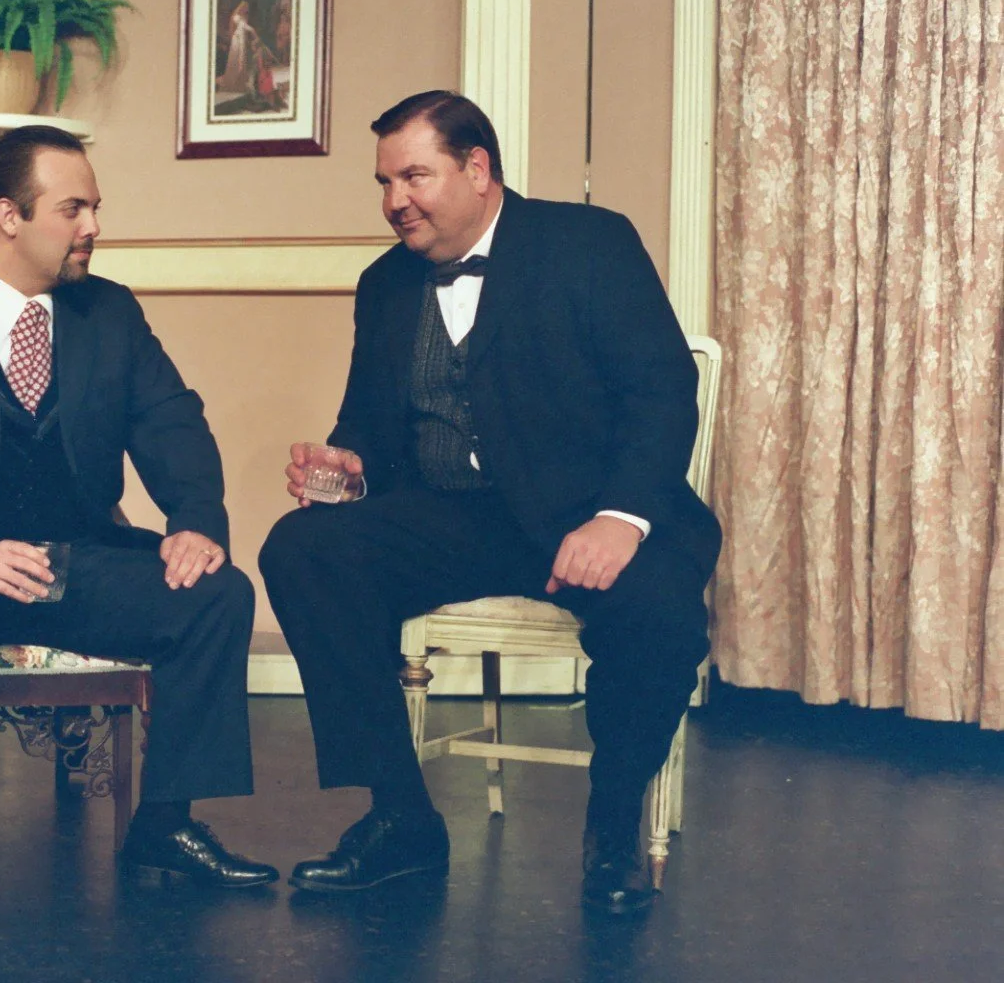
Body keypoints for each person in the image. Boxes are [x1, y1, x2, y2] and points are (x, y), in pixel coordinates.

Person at [258, 91, 721, 915]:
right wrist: (346, 473)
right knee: (303, 548)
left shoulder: (588, 242)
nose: (395, 200)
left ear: (477, 169)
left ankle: (613, 834)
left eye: (414, 176)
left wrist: (621, 519)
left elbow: (662, 391)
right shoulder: (385, 284)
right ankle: (401, 819)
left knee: (657, 615)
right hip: (460, 516)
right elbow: (368, 424)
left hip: (590, 509)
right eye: (384, 182)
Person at [0, 125, 278, 924]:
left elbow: (173, 423)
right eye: (75, 208)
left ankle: (163, 825)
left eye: (95, 207)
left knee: (216, 594)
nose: (94, 226)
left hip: (77, 558)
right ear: (9, 215)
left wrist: (195, 520)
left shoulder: (110, 313)